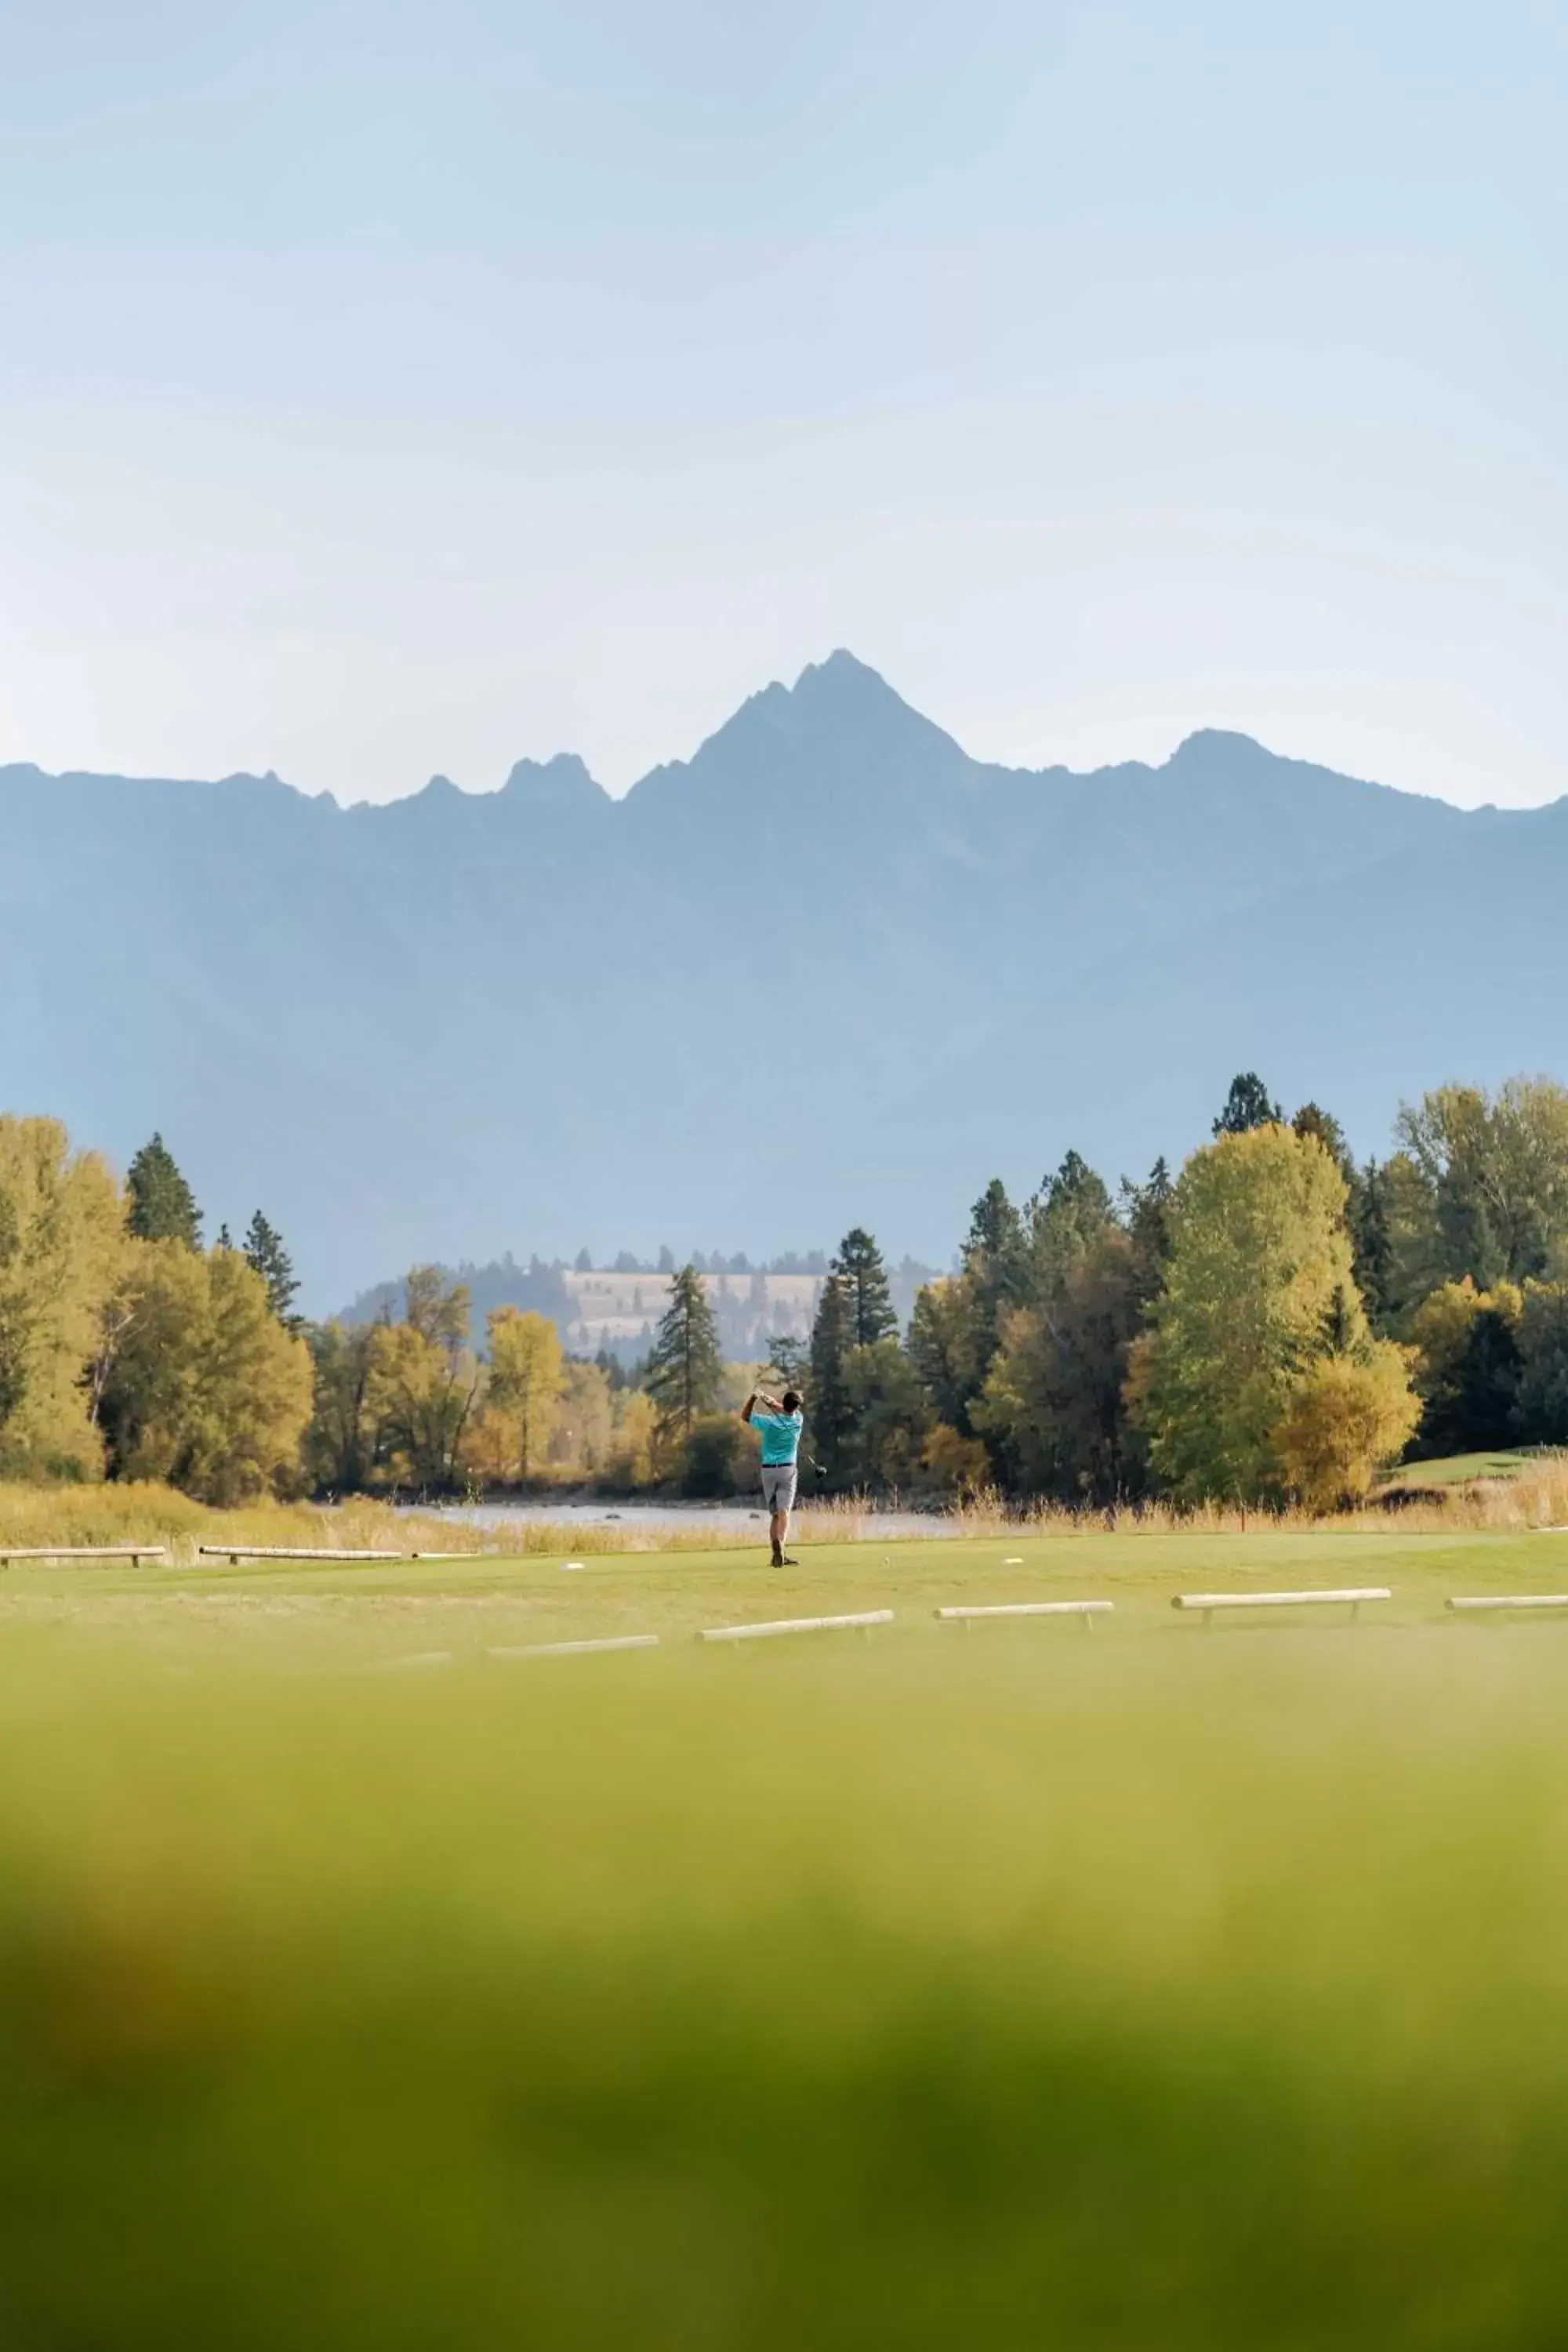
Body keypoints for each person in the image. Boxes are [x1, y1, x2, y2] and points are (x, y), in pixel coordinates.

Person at [742, 1383, 804, 1566]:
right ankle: (781, 1549)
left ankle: (776, 1552)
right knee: (785, 1513)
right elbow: (786, 1410)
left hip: (768, 1470)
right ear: (796, 1407)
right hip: (788, 1470)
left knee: (776, 1515)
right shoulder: (798, 1420)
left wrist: (755, 1398)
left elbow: (745, 1416)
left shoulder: (769, 1424)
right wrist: (772, 1403)